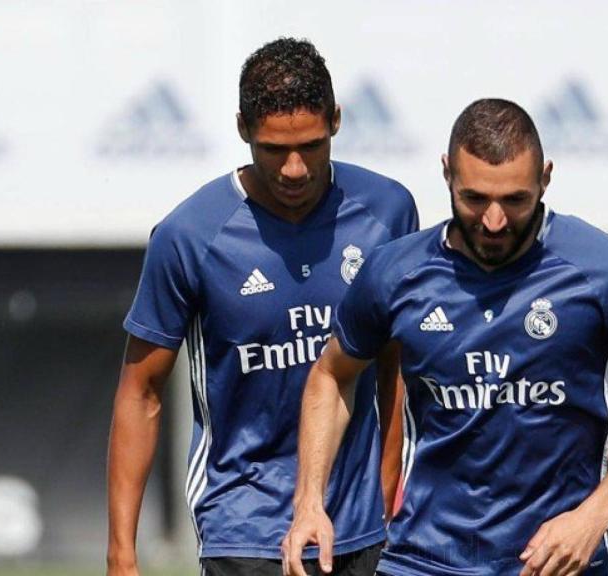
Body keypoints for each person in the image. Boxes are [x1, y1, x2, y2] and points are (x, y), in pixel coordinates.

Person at [283, 99, 608, 576]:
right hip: (422, 559)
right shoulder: (396, 272)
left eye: (515, 200)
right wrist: (309, 503)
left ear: (545, 178)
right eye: (475, 199)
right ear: (447, 174)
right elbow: (331, 375)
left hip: (557, 563)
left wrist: (594, 517)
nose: (494, 220)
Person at [107, 38, 418, 576]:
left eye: (312, 146)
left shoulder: (387, 212)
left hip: (359, 529)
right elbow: (142, 391)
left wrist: (386, 499)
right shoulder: (189, 235)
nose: (294, 168)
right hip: (244, 528)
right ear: (242, 129)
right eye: (274, 150)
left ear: (337, 121)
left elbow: (395, 367)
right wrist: (121, 555)